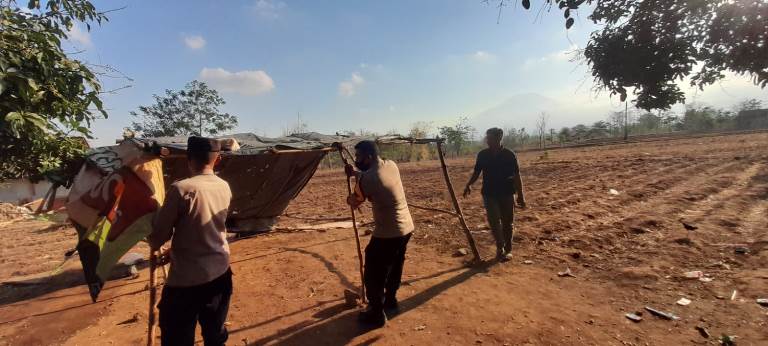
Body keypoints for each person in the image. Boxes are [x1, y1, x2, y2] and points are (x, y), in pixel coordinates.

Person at [149, 136, 233, 346]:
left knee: (177, 338)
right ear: (218, 159)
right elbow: (203, 228)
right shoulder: (224, 186)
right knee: (215, 335)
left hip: (186, 283)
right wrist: (174, 251)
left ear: (189, 158)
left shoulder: (181, 189)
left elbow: (158, 237)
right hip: (220, 273)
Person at [345, 140, 414, 327]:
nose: (357, 159)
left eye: (358, 156)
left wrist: (350, 194)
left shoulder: (368, 180)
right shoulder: (391, 164)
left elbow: (354, 201)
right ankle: (390, 300)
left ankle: (376, 313)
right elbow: (374, 175)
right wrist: (356, 174)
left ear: (368, 157)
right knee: (395, 264)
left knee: (374, 272)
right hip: (406, 228)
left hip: (389, 232)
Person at [463, 128, 526, 262]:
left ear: (499, 138)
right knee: (493, 221)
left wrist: (521, 195)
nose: (487, 140)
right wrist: (469, 184)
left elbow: (516, 175)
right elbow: (476, 172)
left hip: (507, 192)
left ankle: (508, 249)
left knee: (507, 223)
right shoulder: (482, 155)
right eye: (487, 137)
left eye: (490, 138)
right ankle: (500, 246)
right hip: (489, 193)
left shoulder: (509, 155)